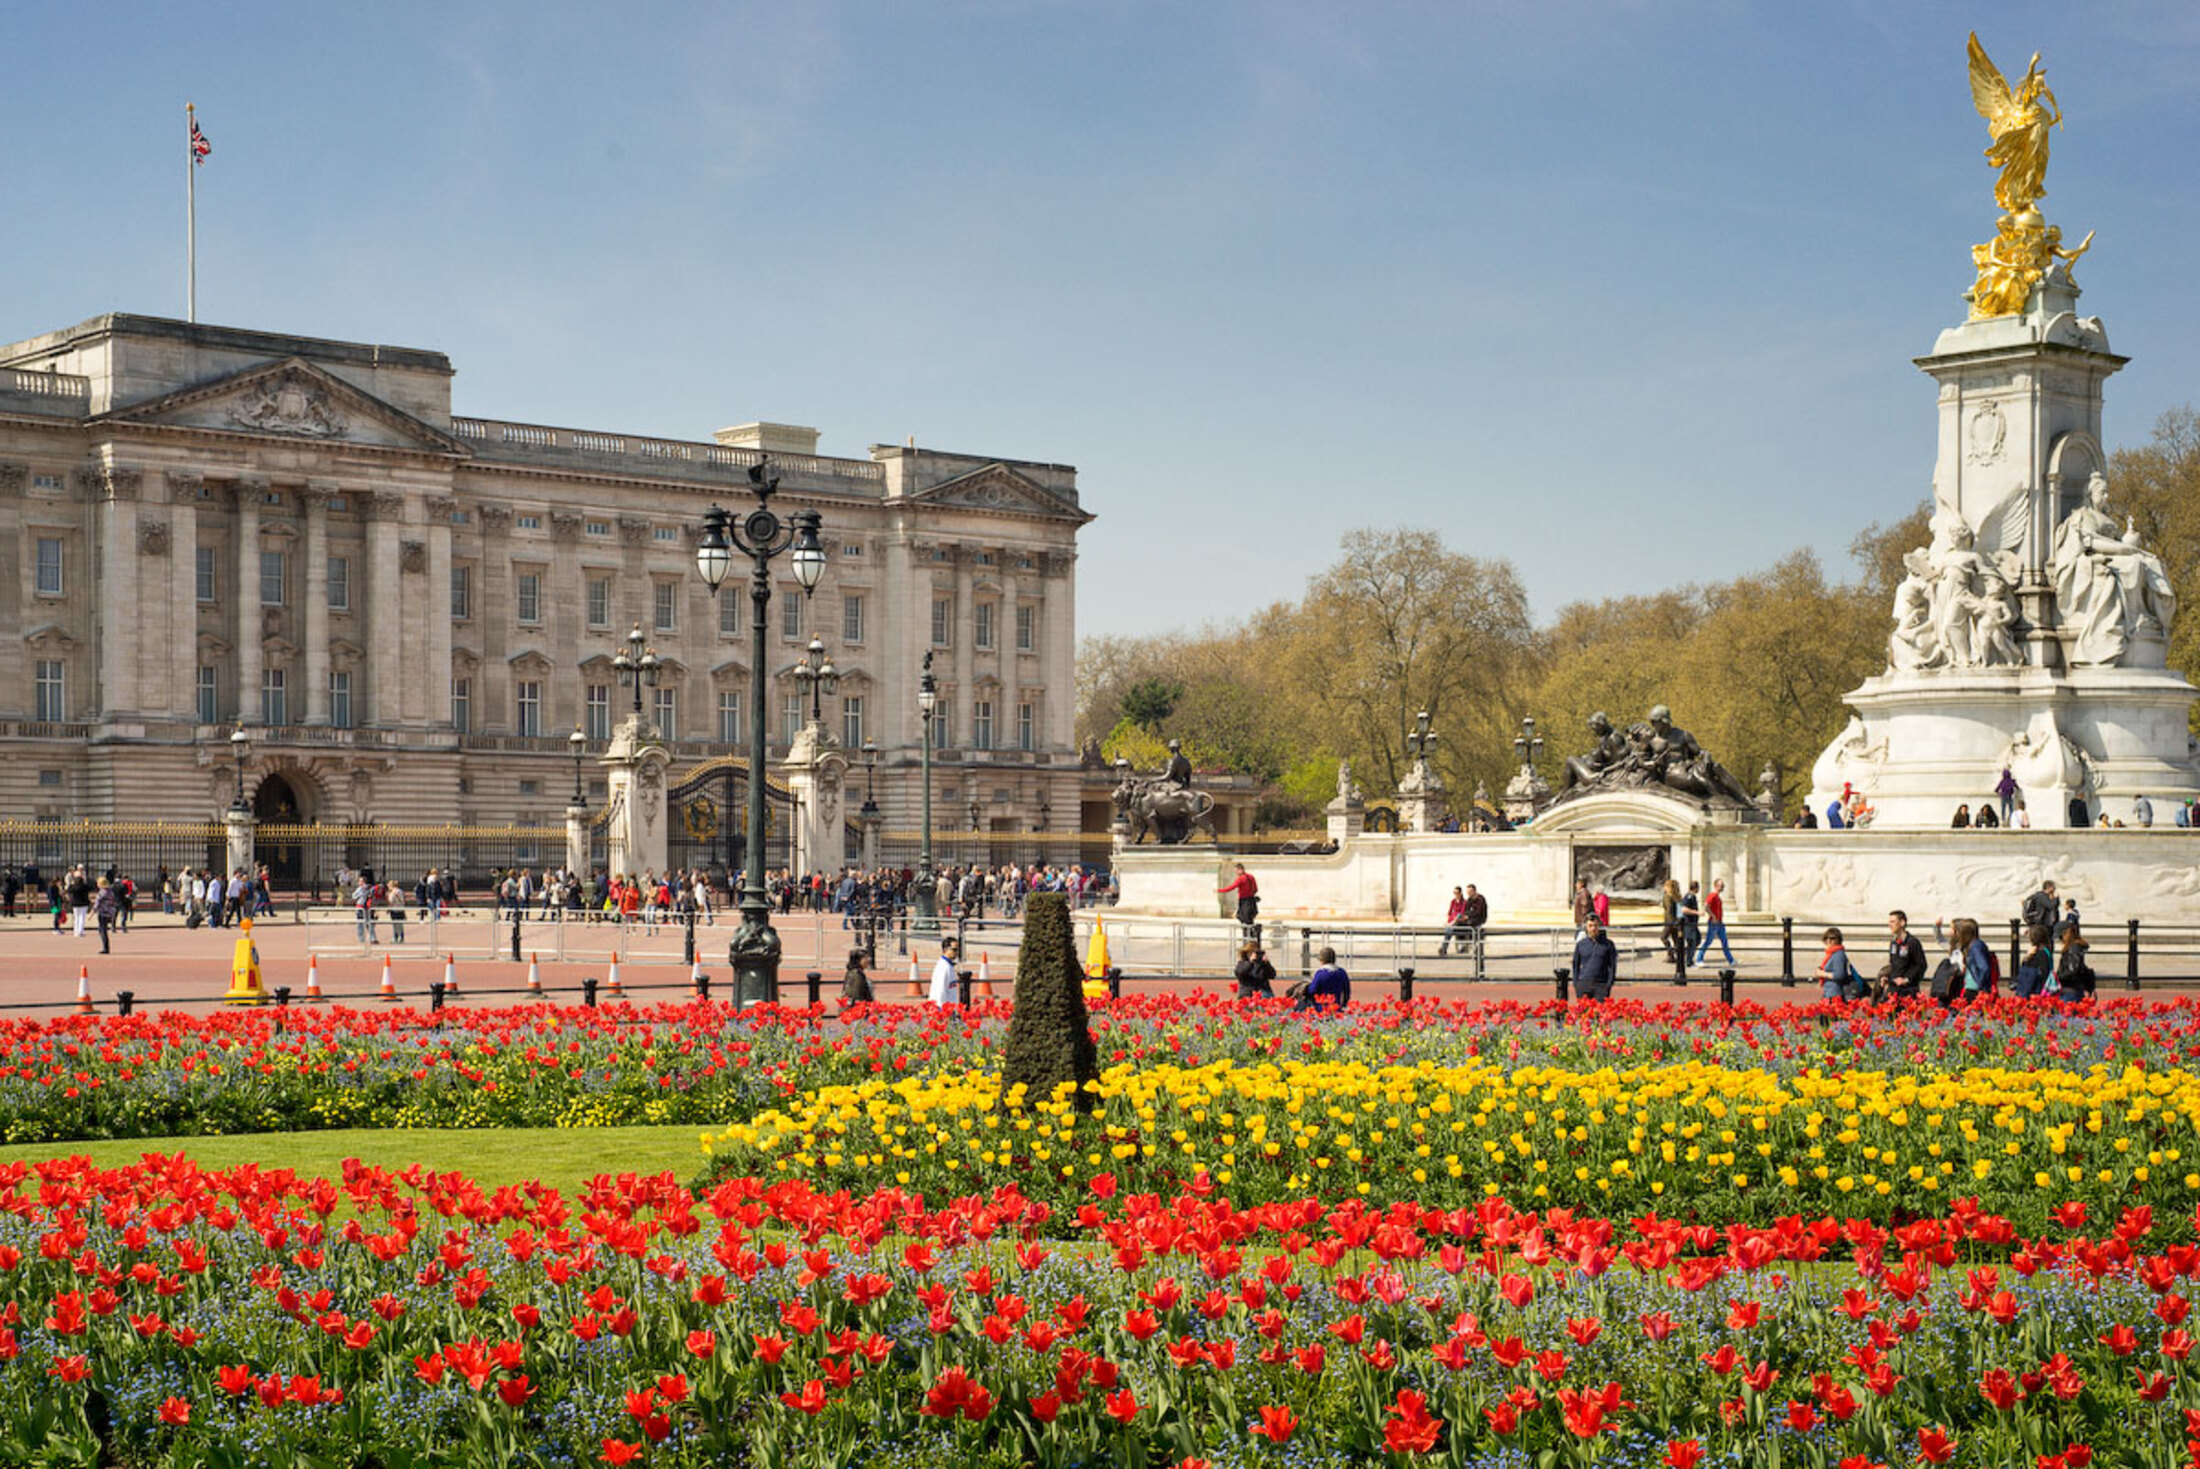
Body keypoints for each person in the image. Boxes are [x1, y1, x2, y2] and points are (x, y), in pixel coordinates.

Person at [1883, 910, 1928, 1000]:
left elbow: (1921, 965)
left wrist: (1907, 979)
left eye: (1893, 922)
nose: (1890, 925)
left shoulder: (1912, 942)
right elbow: (1893, 964)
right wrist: (1886, 976)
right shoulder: (1893, 943)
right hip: (1893, 990)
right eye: (1889, 922)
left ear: (1902, 923)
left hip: (1908, 991)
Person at [1572, 915, 1618, 1001]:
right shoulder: (1581, 944)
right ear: (1586, 927)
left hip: (1601, 985)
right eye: (1590, 926)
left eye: (1595, 926)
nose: (1593, 929)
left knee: (1600, 1013)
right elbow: (1575, 964)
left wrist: (1609, 984)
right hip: (1583, 983)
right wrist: (1576, 983)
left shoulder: (1608, 944)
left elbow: (1612, 965)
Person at [1694, 878, 1735, 968]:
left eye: (1723, 886)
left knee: (1724, 942)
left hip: (1719, 923)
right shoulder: (1712, 896)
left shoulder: (1717, 897)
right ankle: (1699, 959)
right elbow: (1706, 907)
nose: (1723, 887)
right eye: (1721, 886)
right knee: (1708, 941)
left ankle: (1731, 960)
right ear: (1716, 886)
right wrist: (1713, 916)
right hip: (1714, 923)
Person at [1298, 946, 1350, 1012]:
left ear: (1322, 960)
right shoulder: (1342, 972)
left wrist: (1305, 987)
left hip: (1321, 1009)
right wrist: (1344, 1004)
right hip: (1336, 1008)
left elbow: (1312, 990)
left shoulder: (1320, 973)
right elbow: (1347, 992)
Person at [1814, 928, 1859, 1002]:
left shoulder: (1838, 955)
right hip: (1829, 992)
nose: (1829, 941)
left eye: (1832, 938)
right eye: (1826, 938)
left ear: (1838, 940)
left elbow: (1840, 975)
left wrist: (1822, 974)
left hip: (1835, 994)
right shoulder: (1831, 954)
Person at [1217, 863, 1260, 940]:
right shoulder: (1251, 877)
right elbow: (1256, 889)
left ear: (1240, 869)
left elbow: (1232, 887)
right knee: (1249, 919)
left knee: (1243, 918)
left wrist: (1219, 890)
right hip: (1251, 901)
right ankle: (1250, 935)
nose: (1236, 873)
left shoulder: (1241, 879)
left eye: (1236, 870)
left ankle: (1249, 936)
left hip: (1244, 901)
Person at [2055, 922, 2096, 1001]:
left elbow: (2073, 969)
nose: (2060, 940)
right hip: (2072, 988)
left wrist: (2058, 977)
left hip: (2070, 989)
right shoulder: (2074, 947)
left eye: (2061, 937)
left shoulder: (2074, 948)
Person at [2012, 924, 2055, 998]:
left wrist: (2027, 958)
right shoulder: (2046, 951)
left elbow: (2025, 973)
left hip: (2035, 991)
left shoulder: (2039, 954)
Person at [927, 938, 961, 1006]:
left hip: (949, 1008)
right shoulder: (943, 967)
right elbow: (940, 990)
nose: (956, 952)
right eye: (954, 949)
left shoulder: (948, 966)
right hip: (944, 1009)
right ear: (945, 950)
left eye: (957, 949)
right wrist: (942, 1010)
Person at [1439, 886, 1469, 957]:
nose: (1455, 894)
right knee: (1449, 930)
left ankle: (1443, 948)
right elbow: (1450, 912)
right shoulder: (1453, 901)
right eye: (1454, 893)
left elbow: (1462, 913)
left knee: (1458, 915)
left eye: (1457, 893)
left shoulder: (1464, 902)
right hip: (1452, 922)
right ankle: (1444, 948)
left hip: (1459, 922)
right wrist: (1448, 921)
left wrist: (1452, 922)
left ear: (1460, 893)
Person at [93, 877, 118, 956]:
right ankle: (106, 947)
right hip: (110, 912)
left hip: (103, 912)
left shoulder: (102, 892)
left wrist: (94, 909)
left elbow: (98, 902)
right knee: (103, 929)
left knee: (102, 930)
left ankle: (105, 948)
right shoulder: (111, 891)